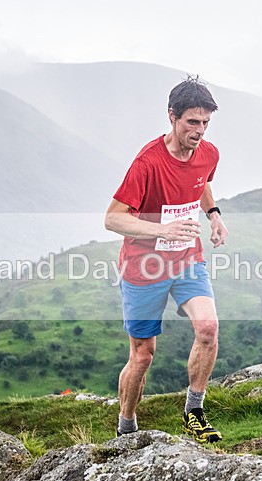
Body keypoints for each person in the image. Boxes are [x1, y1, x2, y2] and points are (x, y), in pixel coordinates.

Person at [104, 77, 228, 444]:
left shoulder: (209, 152)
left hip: (188, 260)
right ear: (172, 117)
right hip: (144, 268)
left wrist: (214, 214)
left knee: (208, 329)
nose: (199, 131)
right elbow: (112, 218)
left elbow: (201, 182)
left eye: (205, 123)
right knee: (142, 355)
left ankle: (194, 411)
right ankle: (126, 427)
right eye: (192, 122)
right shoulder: (147, 163)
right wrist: (162, 229)